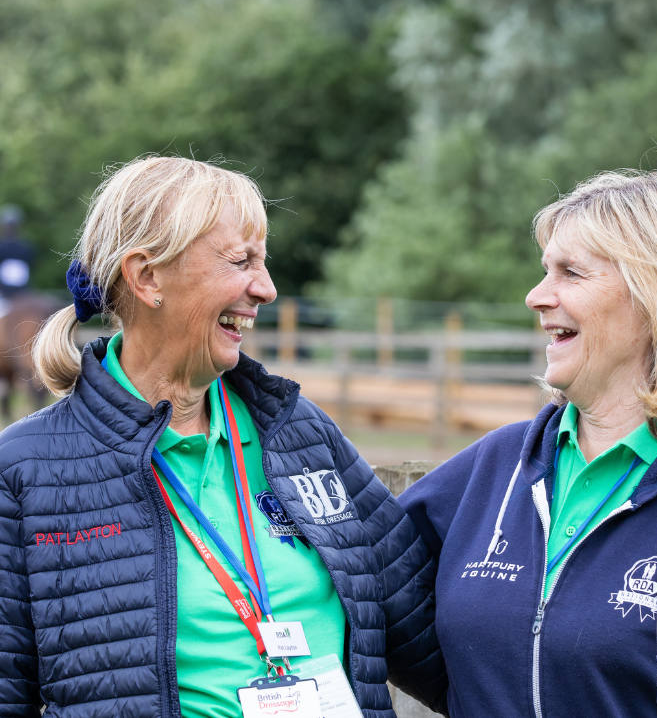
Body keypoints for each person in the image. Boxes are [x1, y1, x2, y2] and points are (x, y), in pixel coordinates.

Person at [0, 156, 445, 717]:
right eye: (241, 262)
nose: (266, 288)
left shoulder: (300, 431)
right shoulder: (24, 469)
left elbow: (437, 645)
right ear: (147, 278)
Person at [394, 169, 657, 717]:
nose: (536, 296)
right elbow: (366, 587)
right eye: (546, 271)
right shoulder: (497, 466)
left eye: (570, 272)